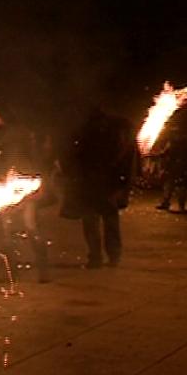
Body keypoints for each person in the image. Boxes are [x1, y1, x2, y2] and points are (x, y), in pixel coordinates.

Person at [0, 107, 50, 282]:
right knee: (15, 229)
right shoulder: (9, 133)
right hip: (9, 183)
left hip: (20, 184)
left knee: (25, 228)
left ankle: (24, 272)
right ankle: (21, 272)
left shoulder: (12, 133)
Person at [63, 106, 138, 269]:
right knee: (109, 219)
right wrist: (123, 184)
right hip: (108, 184)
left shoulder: (86, 131)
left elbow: (75, 157)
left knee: (91, 221)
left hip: (90, 184)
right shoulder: (120, 132)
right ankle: (113, 256)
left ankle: (95, 257)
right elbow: (127, 161)